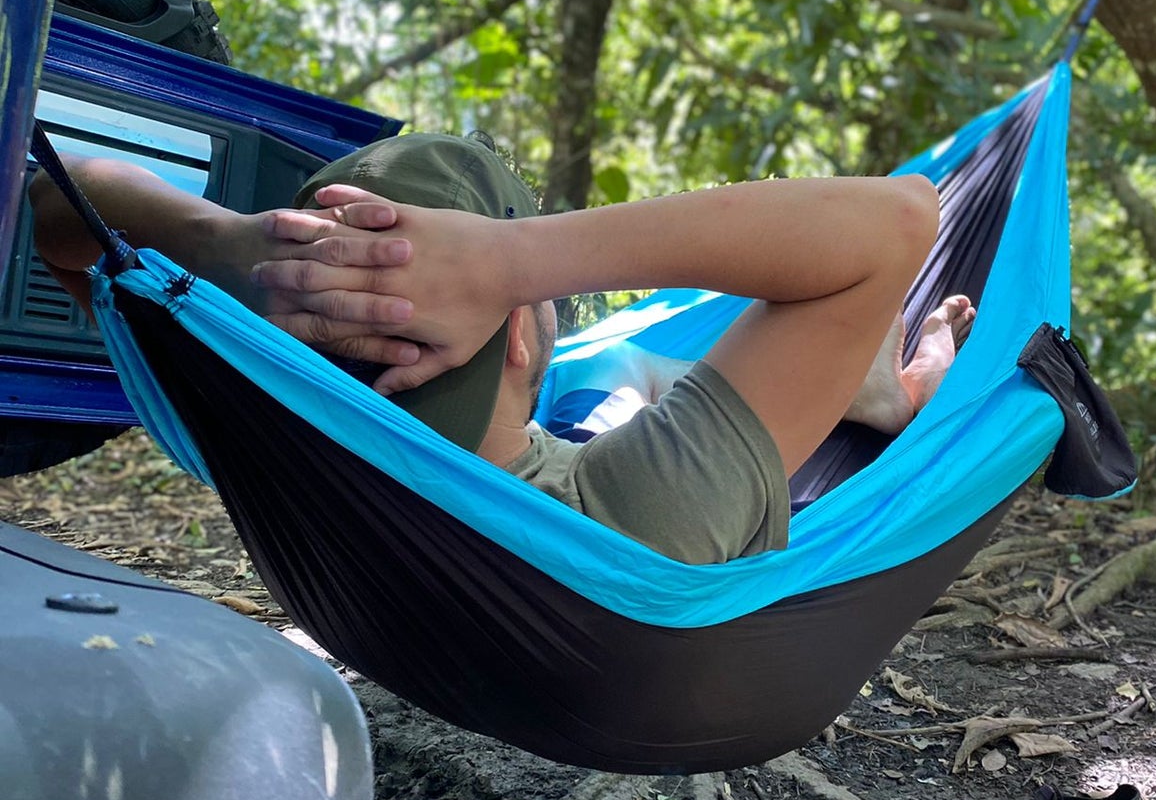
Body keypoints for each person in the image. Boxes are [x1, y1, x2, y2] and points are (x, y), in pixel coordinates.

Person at [30, 134, 974, 564]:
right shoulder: (634, 516)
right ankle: (871, 392)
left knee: (625, 370)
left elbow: (54, 209)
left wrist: (227, 243)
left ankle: (862, 389)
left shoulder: (243, 436)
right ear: (519, 325)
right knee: (627, 376)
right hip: (576, 489)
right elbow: (897, 220)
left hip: (362, 465)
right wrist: (514, 257)